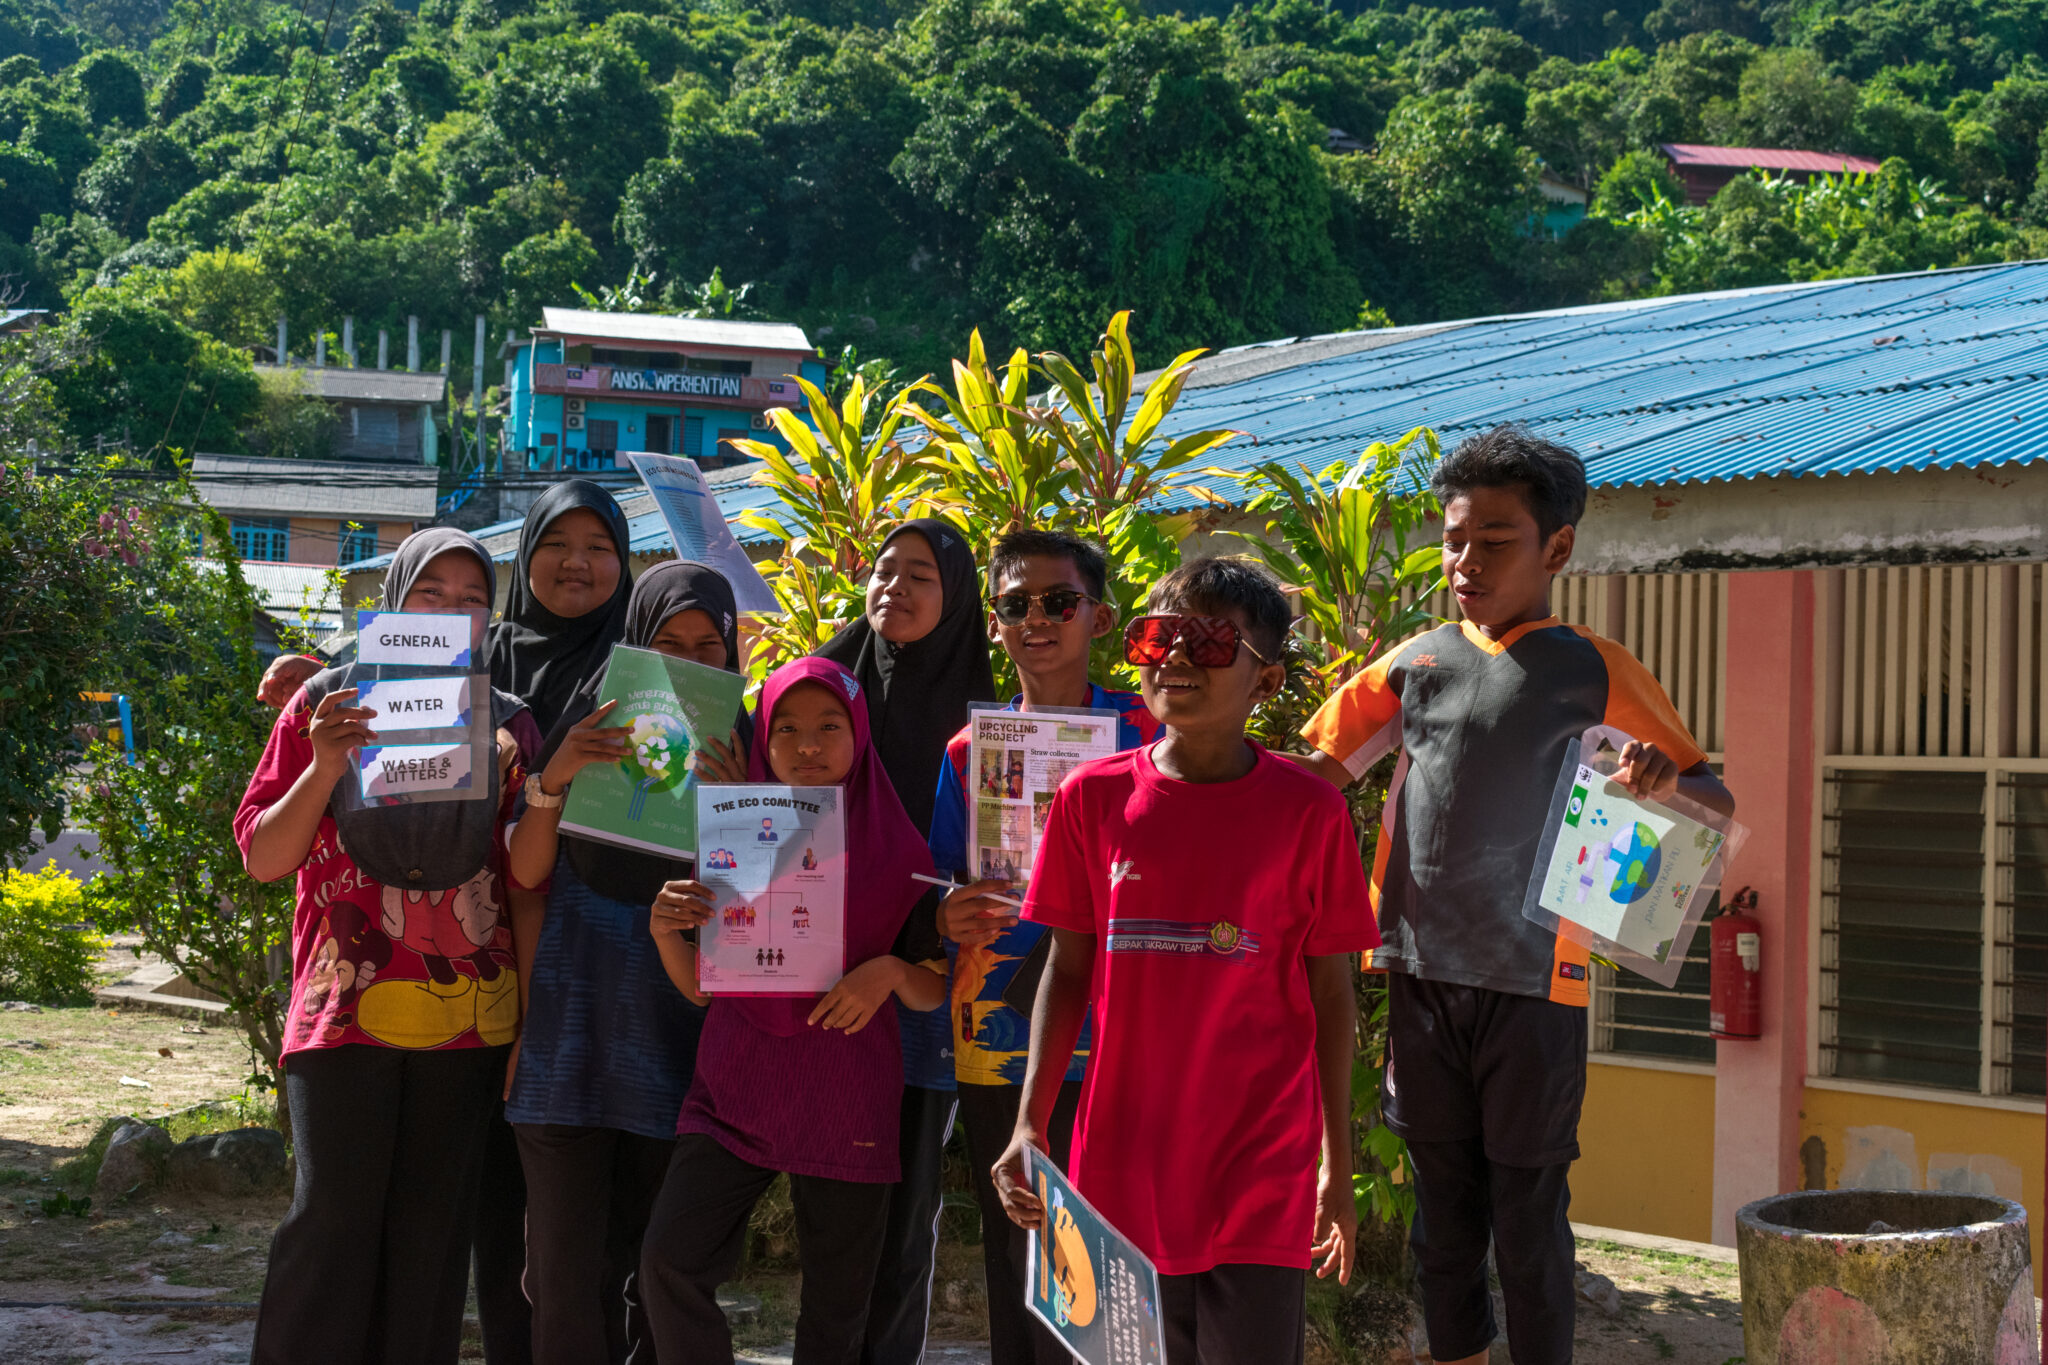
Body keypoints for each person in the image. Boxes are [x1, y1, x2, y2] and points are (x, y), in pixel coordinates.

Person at [1287, 426, 1735, 1365]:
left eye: (1495, 541)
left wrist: (1661, 782)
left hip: (1540, 981)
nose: (1466, 560)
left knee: (1530, 1220)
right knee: (1441, 1216)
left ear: (1557, 549)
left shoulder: (1595, 668)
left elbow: (1711, 797)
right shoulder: (1416, 662)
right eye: (1454, 539)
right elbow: (1312, 775)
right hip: (1416, 970)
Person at [992, 557, 1378, 1365]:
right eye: (1160, 637)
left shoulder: (1310, 811)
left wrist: (1335, 1169)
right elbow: (1066, 971)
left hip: (1261, 1166)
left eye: (1208, 642)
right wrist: (1030, 1121)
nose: (1174, 658)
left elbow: (1333, 996)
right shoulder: (1090, 800)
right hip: (1120, 1165)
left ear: (1265, 681)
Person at [236, 528, 544, 1365]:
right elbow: (266, 857)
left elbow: (524, 880)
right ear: (394, 602)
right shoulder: (323, 703)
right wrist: (327, 763)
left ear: (492, 618)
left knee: (431, 1237)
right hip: (342, 1010)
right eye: (429, 594)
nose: (450, 611)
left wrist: (535, 1023)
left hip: (472, 1015)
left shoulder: (511, 724)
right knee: (330, 1221)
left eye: (472, 598)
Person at [636, 657, 949, 1362]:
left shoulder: (902, 852)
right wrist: (664, 931)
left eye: (829, 726)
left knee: (837, 1311)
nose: (808, 745)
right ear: (763, 740)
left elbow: (936, 985)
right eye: (787, 729)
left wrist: (893, 971)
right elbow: (701, 986)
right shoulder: (737, 834)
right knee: (667, 1261)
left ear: (859, 735)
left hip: (846, 1097)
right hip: (734, 1087)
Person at [501, 561, 748, 1365]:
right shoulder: (594, 723)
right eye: (666, 642)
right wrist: (556, 776)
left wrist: (743, 805)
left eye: (707, 646)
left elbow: (751, 909)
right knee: (565, 1276)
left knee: (660, 1270)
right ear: (635, 642)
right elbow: (529, 874)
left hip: (676, 1038)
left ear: (731, 652)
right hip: (569, 1040)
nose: (686, 662)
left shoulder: (747, 752)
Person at [928, 528, 1158, 1365]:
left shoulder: (1150, 730)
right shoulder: (967, 751)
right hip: (1000, 1031)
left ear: (1098, 617)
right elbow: (940, 880)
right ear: (992, 624)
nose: (1038, 618)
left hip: (1126, 1030)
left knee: (1119, 1263)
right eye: (1016, 604)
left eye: (1059, 600)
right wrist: (947, 914)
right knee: (1018, 1256)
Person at [816, 518, 997, 1364]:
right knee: (830, 1204)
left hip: (925, 986)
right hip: (817, 972)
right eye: (884, 569)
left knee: (903, 1204)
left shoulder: (990, 721)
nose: (894, 585)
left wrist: (920, 938)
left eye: (920, 574)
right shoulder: (827, 686)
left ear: (956, 595)